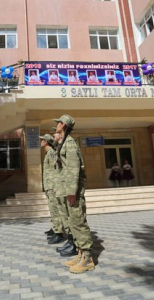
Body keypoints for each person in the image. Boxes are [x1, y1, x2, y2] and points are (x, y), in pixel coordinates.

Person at [54, 114, 94, 274]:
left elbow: (74, 168)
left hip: (73, 191)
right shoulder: (63, 143)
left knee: (78, 222)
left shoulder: (69, 143)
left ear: (63, 125)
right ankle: (80, 254)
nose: (56, 124)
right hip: (66, 189)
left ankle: (88, 259)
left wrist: (71, 191)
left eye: (58, 122)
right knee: (72, 222)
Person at [40, 134, 64, 244]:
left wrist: (55, 185)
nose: (41, 141)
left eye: (42, 140)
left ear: (46, 142)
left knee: (55, 208)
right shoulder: (47, 153)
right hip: (48, 185)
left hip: (52, 185)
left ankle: (58, 233)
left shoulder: (52, 153)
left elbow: (56, 169)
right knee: (52, 208)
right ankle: (54, 227)